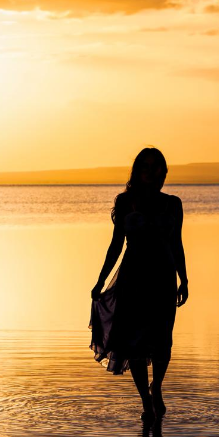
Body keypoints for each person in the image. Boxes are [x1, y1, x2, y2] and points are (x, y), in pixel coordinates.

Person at [90, 147, 188, 423]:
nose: (151, 171)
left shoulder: (173, 204)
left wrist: (185, 278)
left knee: (163, 341)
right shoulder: (125, 203)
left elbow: (177, 244)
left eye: (157, 166)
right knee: (134, 343)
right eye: (145, 166)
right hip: (133, 278)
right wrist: (100, 279)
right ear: (137, 170)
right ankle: (146, 401)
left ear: (164, 172)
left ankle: (156, 387)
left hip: (164, 278)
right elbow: (115, 245)